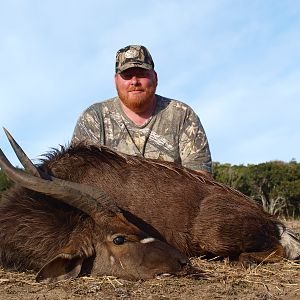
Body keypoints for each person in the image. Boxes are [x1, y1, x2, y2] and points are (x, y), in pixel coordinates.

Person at [72, 45, 212, 176]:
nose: (134, 81)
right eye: (127, 76)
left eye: (141, 74)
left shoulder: (182, 115)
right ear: (116, 81)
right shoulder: (94, 119)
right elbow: (80, 178)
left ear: (155, 78)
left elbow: (200, 179)